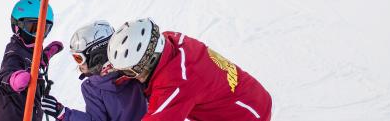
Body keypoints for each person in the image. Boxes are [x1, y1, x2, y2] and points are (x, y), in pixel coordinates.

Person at [107, 18, 272, 121]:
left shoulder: (176, 84)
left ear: (149, 60)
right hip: (250, 94)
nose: (127, 75)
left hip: (248, 115)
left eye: (129, 72)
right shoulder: (169, 40)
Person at [40, 20, 147, 121]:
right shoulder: (92, 87)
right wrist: (63, 113)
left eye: (78, 58)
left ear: (96, 56)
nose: (79, 65)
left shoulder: (131, 69)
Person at [0, 0, 64, 121]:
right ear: (17, 27)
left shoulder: (32, 48)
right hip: (11, 116)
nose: (38, 35)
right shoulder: (14, 52)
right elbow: (2, 80)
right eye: (32, 28)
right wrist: (13, 80)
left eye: (43, 29)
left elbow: (32, 60)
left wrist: (43, 58)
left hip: (31, 113)